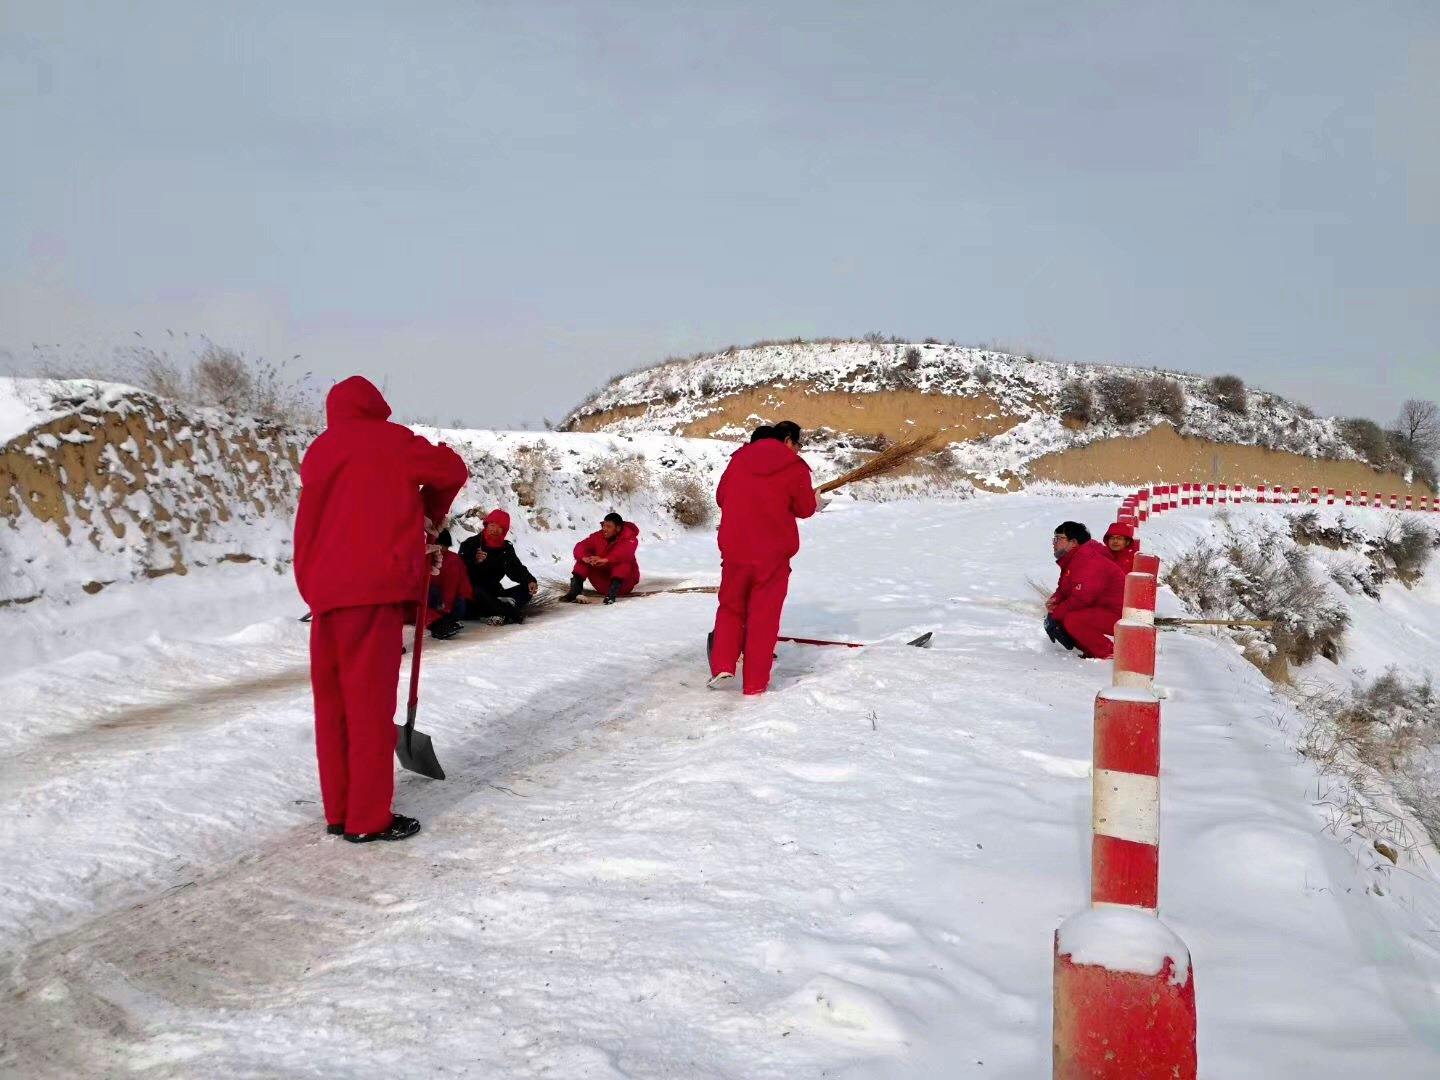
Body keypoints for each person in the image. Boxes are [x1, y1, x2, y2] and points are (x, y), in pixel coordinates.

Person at [294, 375, 467, 843]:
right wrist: (429, 514)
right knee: (369, 706)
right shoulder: (393, 441)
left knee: (333, 707)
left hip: (324, 592)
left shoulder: (320, 450)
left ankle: (340, 810)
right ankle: (368, 819)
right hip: (371, 589)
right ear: (376, 406)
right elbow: (452, 468)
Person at [709, 420, 821, 695]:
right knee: (763, 617)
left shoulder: (737, 461)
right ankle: (755, 684)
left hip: (735, 550)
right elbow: (804, 508)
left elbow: (721, 497)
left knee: (731, 607)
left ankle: (723, 664)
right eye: (797, 443)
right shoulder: (794, 466)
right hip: (772, 554)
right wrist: (815, 501)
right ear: (786, 440)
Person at [1045, 521, 1125, 660]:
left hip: (1121, 615)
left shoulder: (1088, 560)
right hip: (1101, 609)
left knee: (1072, 619)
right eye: (1054, 538)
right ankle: (1092, 651)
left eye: (1058, 538)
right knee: (1066, 617)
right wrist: (1055, 599)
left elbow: (1082, 598)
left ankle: (1111, 654)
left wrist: (1057, 613)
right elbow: (1065, 587)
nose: (1054, 543)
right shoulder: (1074, 559)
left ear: (1073, 542)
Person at [458, 509, 538, 625]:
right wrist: (474, 560)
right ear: (486, 524)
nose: (495, 529)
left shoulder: (506, 548)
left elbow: (516, 569)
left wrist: (530, 580)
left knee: (527, 588)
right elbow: (459, 570)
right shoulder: (470, 544)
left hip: (495, 593)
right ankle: (509, 612)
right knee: (478, 591)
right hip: (473, 596)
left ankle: (496, 611)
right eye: (492, 525)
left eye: (500, 527)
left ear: (504, 530)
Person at [564, 512, 641, 604]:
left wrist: (606, 560)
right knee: (585, 559)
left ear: (618, 528)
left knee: (623, 562)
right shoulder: (598, 536)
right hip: (602, 585)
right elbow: (581, 546)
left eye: (608, 526)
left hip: (624, 585)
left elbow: (623, 553)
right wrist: (585, 558)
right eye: (604, 526)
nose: (604, 529)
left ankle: (611, 595)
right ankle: (575, 592)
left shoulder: (630, 538)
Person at [425, 529, 471, 639]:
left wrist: (448, 607)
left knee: (458, 605)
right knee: (432, 591)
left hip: (453, 603)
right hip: (434, 602)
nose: (440, 549)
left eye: (443, 546)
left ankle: (445, 622)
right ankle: (440, 623)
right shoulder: (427, 558)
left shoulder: (454, 560)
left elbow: (457, 585)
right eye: (438, 545)